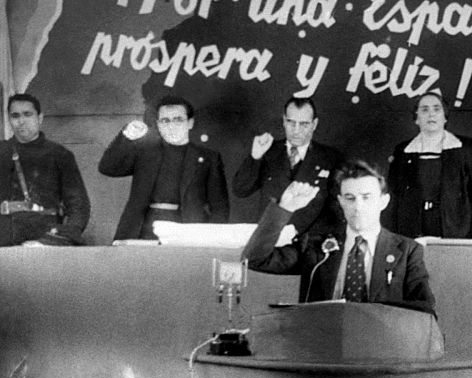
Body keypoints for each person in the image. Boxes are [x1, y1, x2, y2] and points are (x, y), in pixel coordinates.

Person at [242, 159, 435, 315]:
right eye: (350, 198)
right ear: (341, 202)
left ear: (383, 201)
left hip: (380, 350)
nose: (358, 206)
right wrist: (285, 208)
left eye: (366, 197)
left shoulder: (407, 251)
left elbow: (425, 309)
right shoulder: (315, 245)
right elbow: (255, 259)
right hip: (323, 347)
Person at [99, 95, 229, 240]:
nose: (171, 126)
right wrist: (126, 136)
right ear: (158, 124)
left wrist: (210, 240)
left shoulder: (208, 158)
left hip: (188, 231)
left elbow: (219, 207)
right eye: (165, 121)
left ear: (190, 123)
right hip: (142, 230)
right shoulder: (144, 152)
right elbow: (108, 168)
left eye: (178, 120)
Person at [385, 91, 472, 245]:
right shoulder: (403, 150)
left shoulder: (464, 147)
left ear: (445, 117)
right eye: (424, 110)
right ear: (416, 119)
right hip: (412, 229)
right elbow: (393, 196)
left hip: (455, 228)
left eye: (436, 109)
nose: (431, 114)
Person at [233, 96, 342, 235]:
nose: (296, 130)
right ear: (284, 121)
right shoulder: (268, 151)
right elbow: (240, 190)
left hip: (310, 245)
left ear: (314, 124)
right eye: (291, 122)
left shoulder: (330, 158)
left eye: (304, 124)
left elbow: (337, 207)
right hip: (269, 239)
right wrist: (255, 157)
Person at [0, 93, 90, 246]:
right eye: (15, 116)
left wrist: (61, 238)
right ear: (9, 120)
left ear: (40, 118)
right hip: (5, 235)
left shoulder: (60, 155)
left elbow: (78, 204)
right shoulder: (2, 152)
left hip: (45, 236)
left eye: (27, 114)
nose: (21, 121)